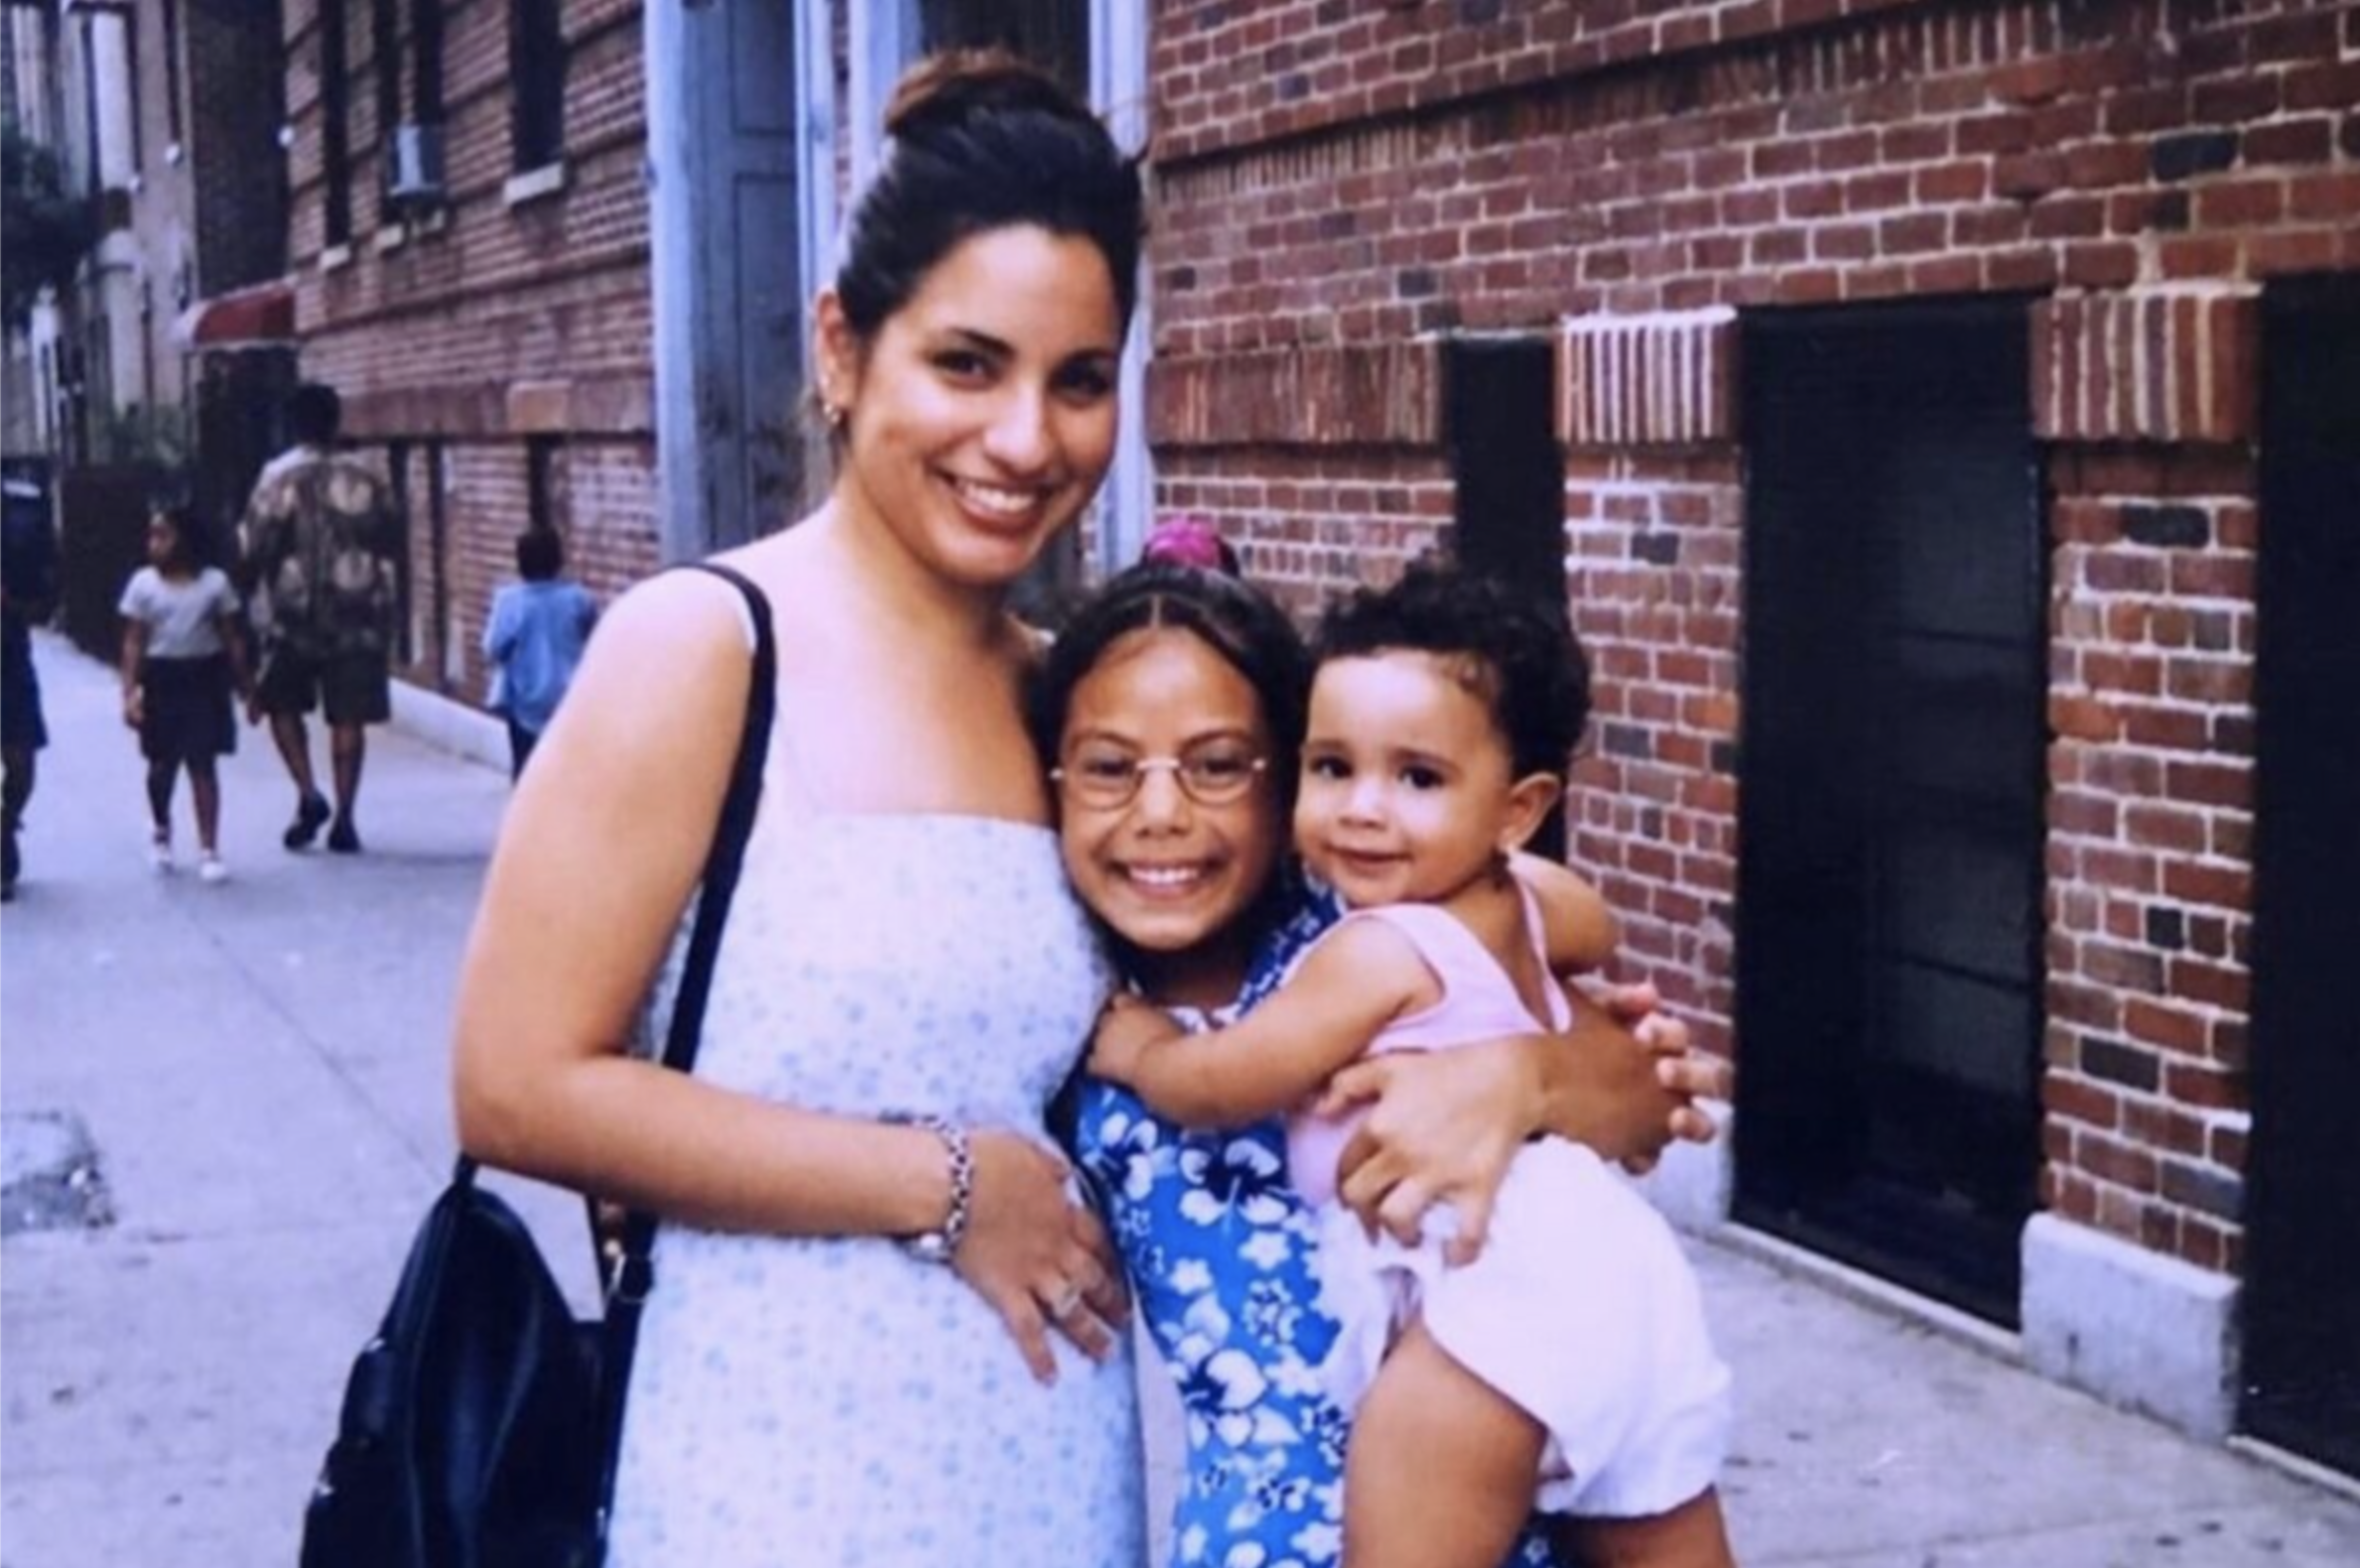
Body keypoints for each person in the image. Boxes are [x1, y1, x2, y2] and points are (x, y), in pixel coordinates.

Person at [451, 52, 1154, 1566]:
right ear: (843, 351)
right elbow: (515, 1080)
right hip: (768, 1471)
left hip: (1047, 1477)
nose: (1027, 440)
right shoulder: (706, 648)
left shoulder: (1077, 702)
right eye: (967, 364)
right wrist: (949, 1185)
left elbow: (1285, 978)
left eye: (1077, 380)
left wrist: (1546, 1070)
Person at [1031, 559, 1728, 1567]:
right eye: (1107, 767)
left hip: (1483, 1405)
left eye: (1219, 763)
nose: (1160, 813)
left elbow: (1643, 1098)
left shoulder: (1368, 924)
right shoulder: (1045, 998)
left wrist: (1518, 1073)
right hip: (1276, 1514)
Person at [241, 381, 402, 854]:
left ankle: (309, 792)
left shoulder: (276, 477)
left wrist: (251, 592)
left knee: (282, 705)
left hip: (292, 613)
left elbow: (256, 543)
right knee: (348, 715)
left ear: (293, 423)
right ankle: (347, 817)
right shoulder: (367, 475)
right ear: (336, 420)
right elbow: (391, 534)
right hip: (357, 610)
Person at [118, 507, 253, 883]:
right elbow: (133, 641)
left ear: (186, 541)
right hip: (162, 677)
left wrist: (246, 685)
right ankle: (161, 827)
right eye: (151, 537)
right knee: (162, 764)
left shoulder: (214, 584)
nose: (155, 545)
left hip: (204, 675)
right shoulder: (143, 585)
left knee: (203, 762)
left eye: (163, 536)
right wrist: (129, 692)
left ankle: (209, 847)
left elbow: (231, 636)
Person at [481, 528, 597, 779]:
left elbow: (493, 648)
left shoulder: (510, 601)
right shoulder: (578, 598)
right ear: (558, 560)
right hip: (570, 698)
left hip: (525, 700)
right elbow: (595, 641)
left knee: (526, 770)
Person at [2, 471, 58, 901]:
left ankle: (5, 823)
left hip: (8, 652)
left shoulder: (22, 512)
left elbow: (46, 589)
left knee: (22, 760)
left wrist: (18, 604)